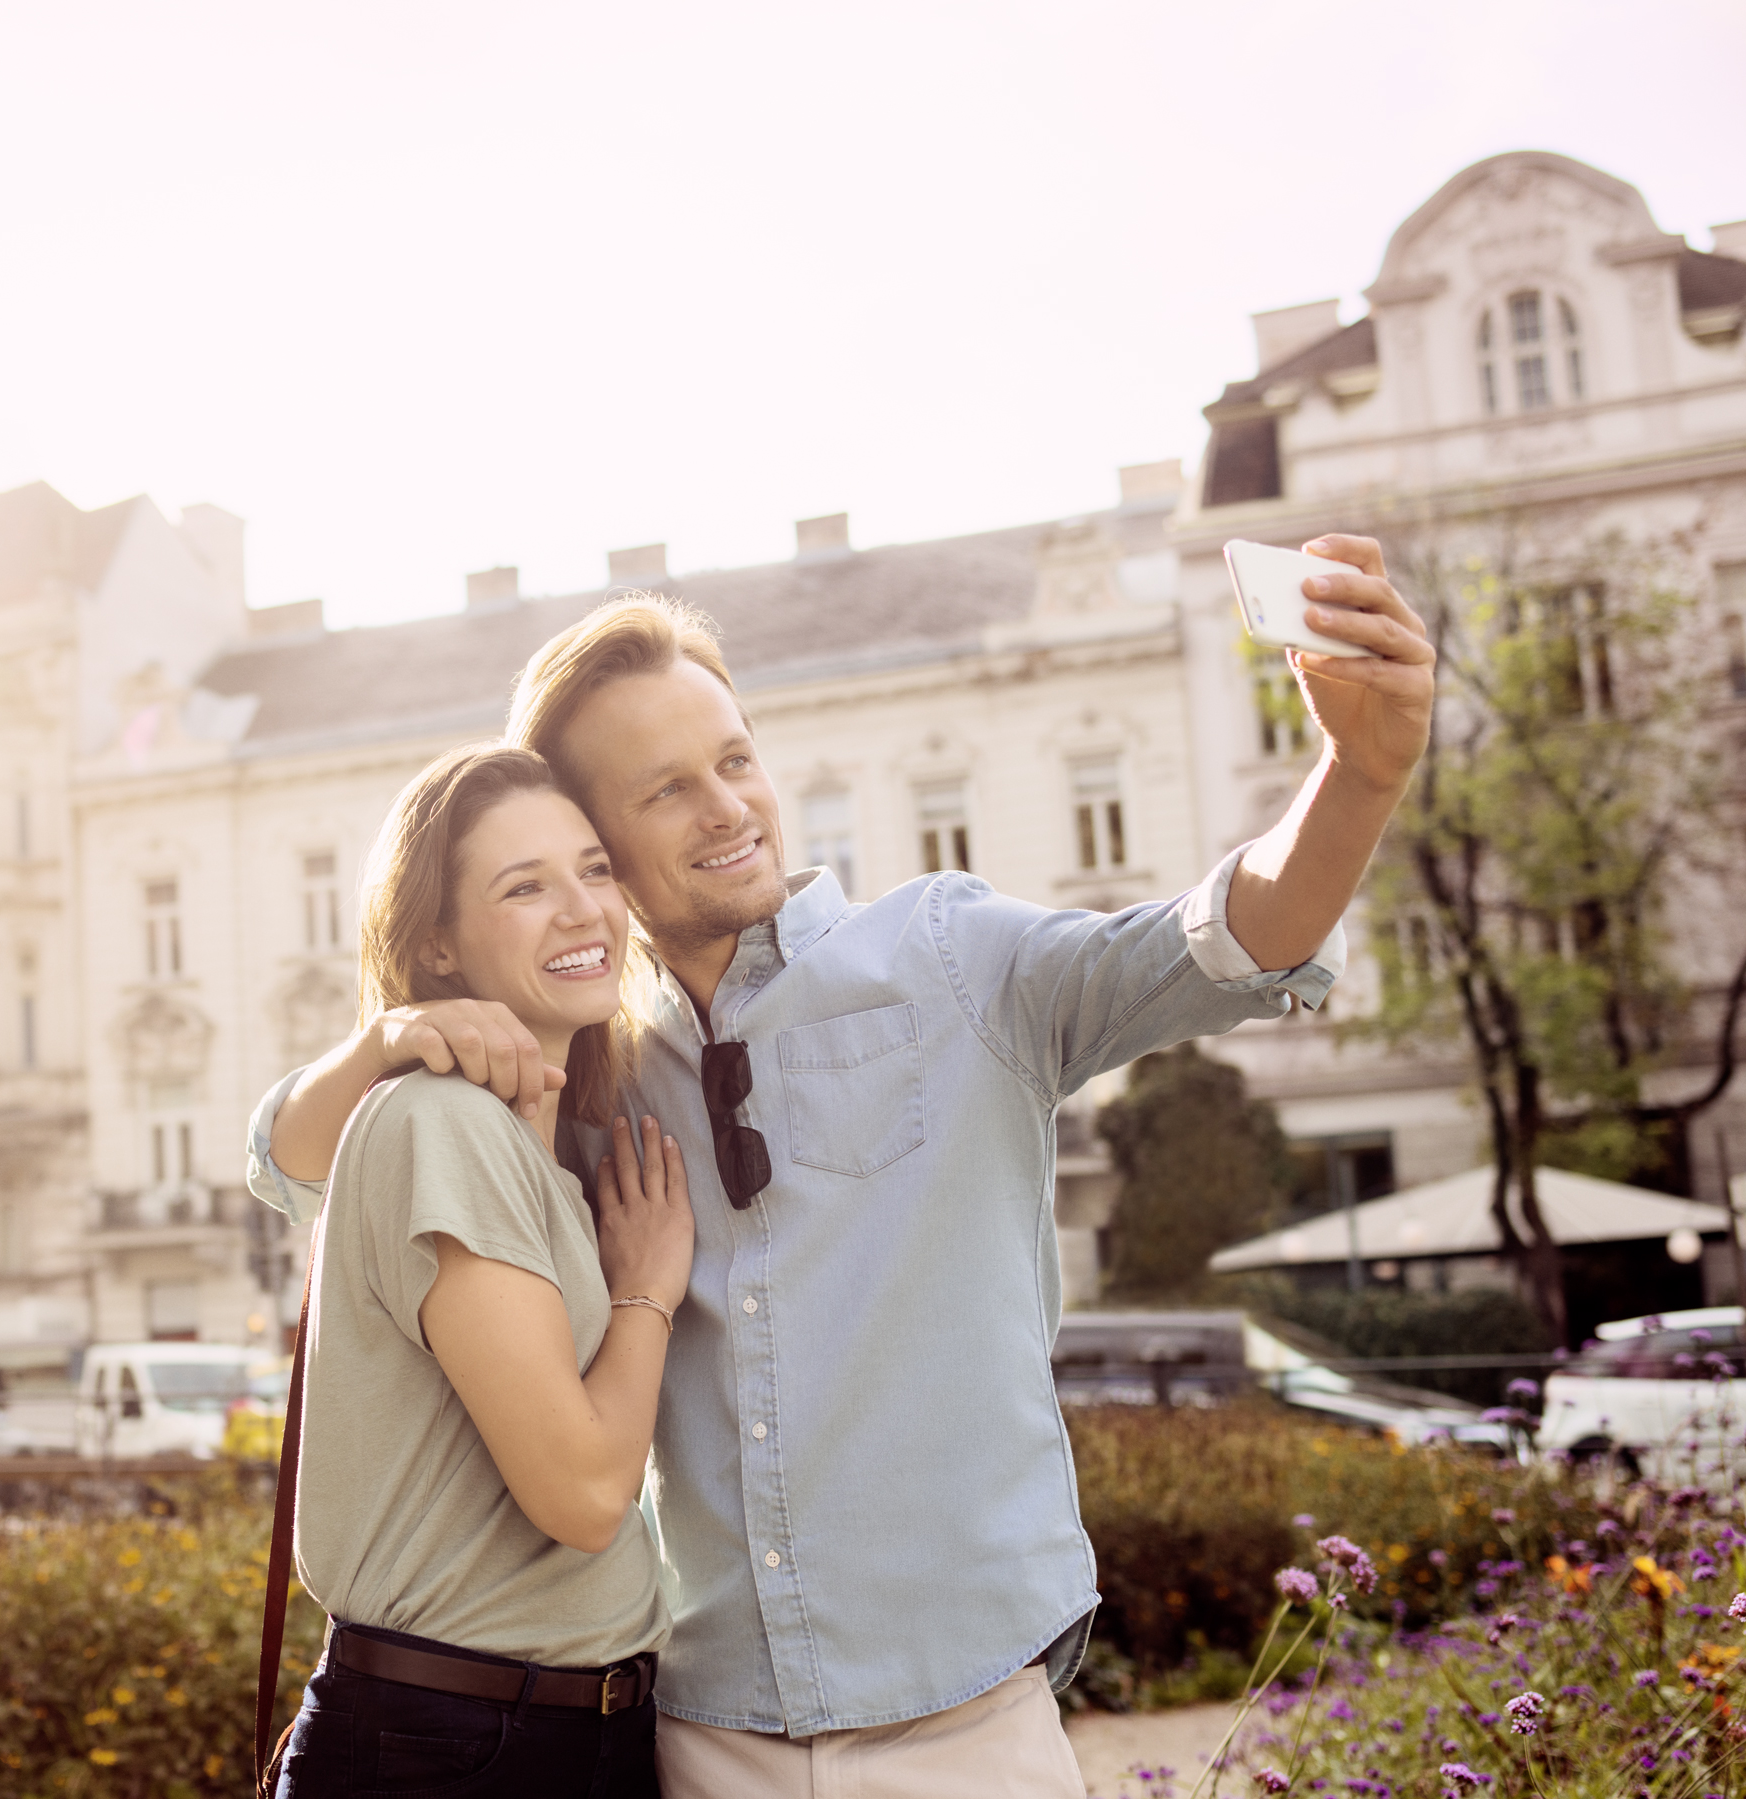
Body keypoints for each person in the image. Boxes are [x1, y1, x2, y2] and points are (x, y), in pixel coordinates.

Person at [252, 537, 1437, 1795]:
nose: (726, 808)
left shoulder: (955, 957)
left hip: (965, 1722)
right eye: (662, 793)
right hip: (699, 1734)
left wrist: (1356, 775)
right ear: (597, 842)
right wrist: (384, 1038)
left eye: (736, 759)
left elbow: (1227, 935)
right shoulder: (586, 1072)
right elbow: (297, 1157)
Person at [270, 742, 696, 1799]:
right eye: (524, 886)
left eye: (595, 870)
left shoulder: (542, 1149)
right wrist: (644, 1290)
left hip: (544, 1728)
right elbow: (586, 1492)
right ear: (439, 946)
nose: (582, 910)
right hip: (464, 1742)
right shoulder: (442, 1125)